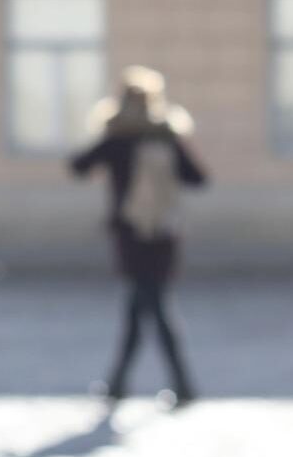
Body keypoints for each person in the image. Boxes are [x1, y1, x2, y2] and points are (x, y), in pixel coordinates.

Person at [70, 66, 208, 406]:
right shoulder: (166, 136)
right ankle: (128, 383)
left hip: (131, 233)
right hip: (163, 232)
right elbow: (197, 178)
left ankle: (166, 384)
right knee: (146, 305)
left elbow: (78, 166)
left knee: (151, 307)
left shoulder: (118, 138)